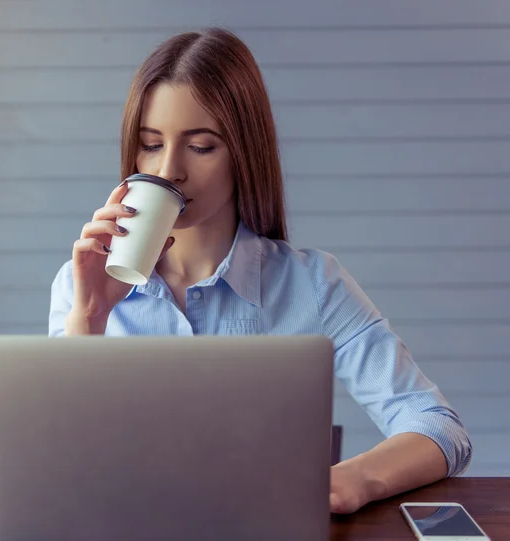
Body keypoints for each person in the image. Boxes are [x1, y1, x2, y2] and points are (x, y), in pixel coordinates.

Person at [49, 28, 472, 514]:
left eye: (201, 146)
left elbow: (438, 426)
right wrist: (89, 316)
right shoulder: (80, 283)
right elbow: (63, 468)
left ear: (244, 153)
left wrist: (353, 479)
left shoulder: (312, 284)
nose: (169, 171)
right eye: (150, 144)